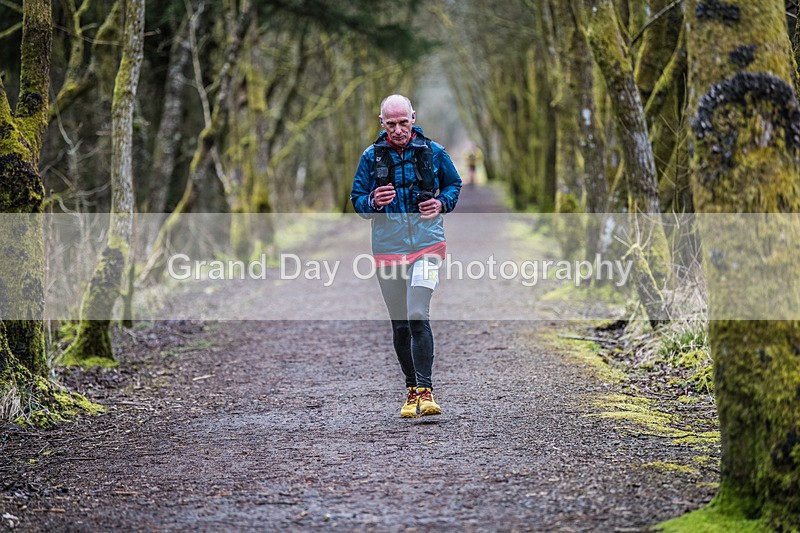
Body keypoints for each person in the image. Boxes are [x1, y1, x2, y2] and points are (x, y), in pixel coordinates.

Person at [350, 94, 462, 418]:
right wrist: (372, 200)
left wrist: (442, 203)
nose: (398, 130)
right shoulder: (370, 157)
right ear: (381, 123)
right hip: (388, 252)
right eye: (392, 123)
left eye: (403, 122)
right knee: (400, 325)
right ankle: (411, 389)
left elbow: (454, 185)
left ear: (413, 117)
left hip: (427, 247)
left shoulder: (434, 152)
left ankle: (427, 392)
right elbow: (357, 200)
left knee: (416, 314)